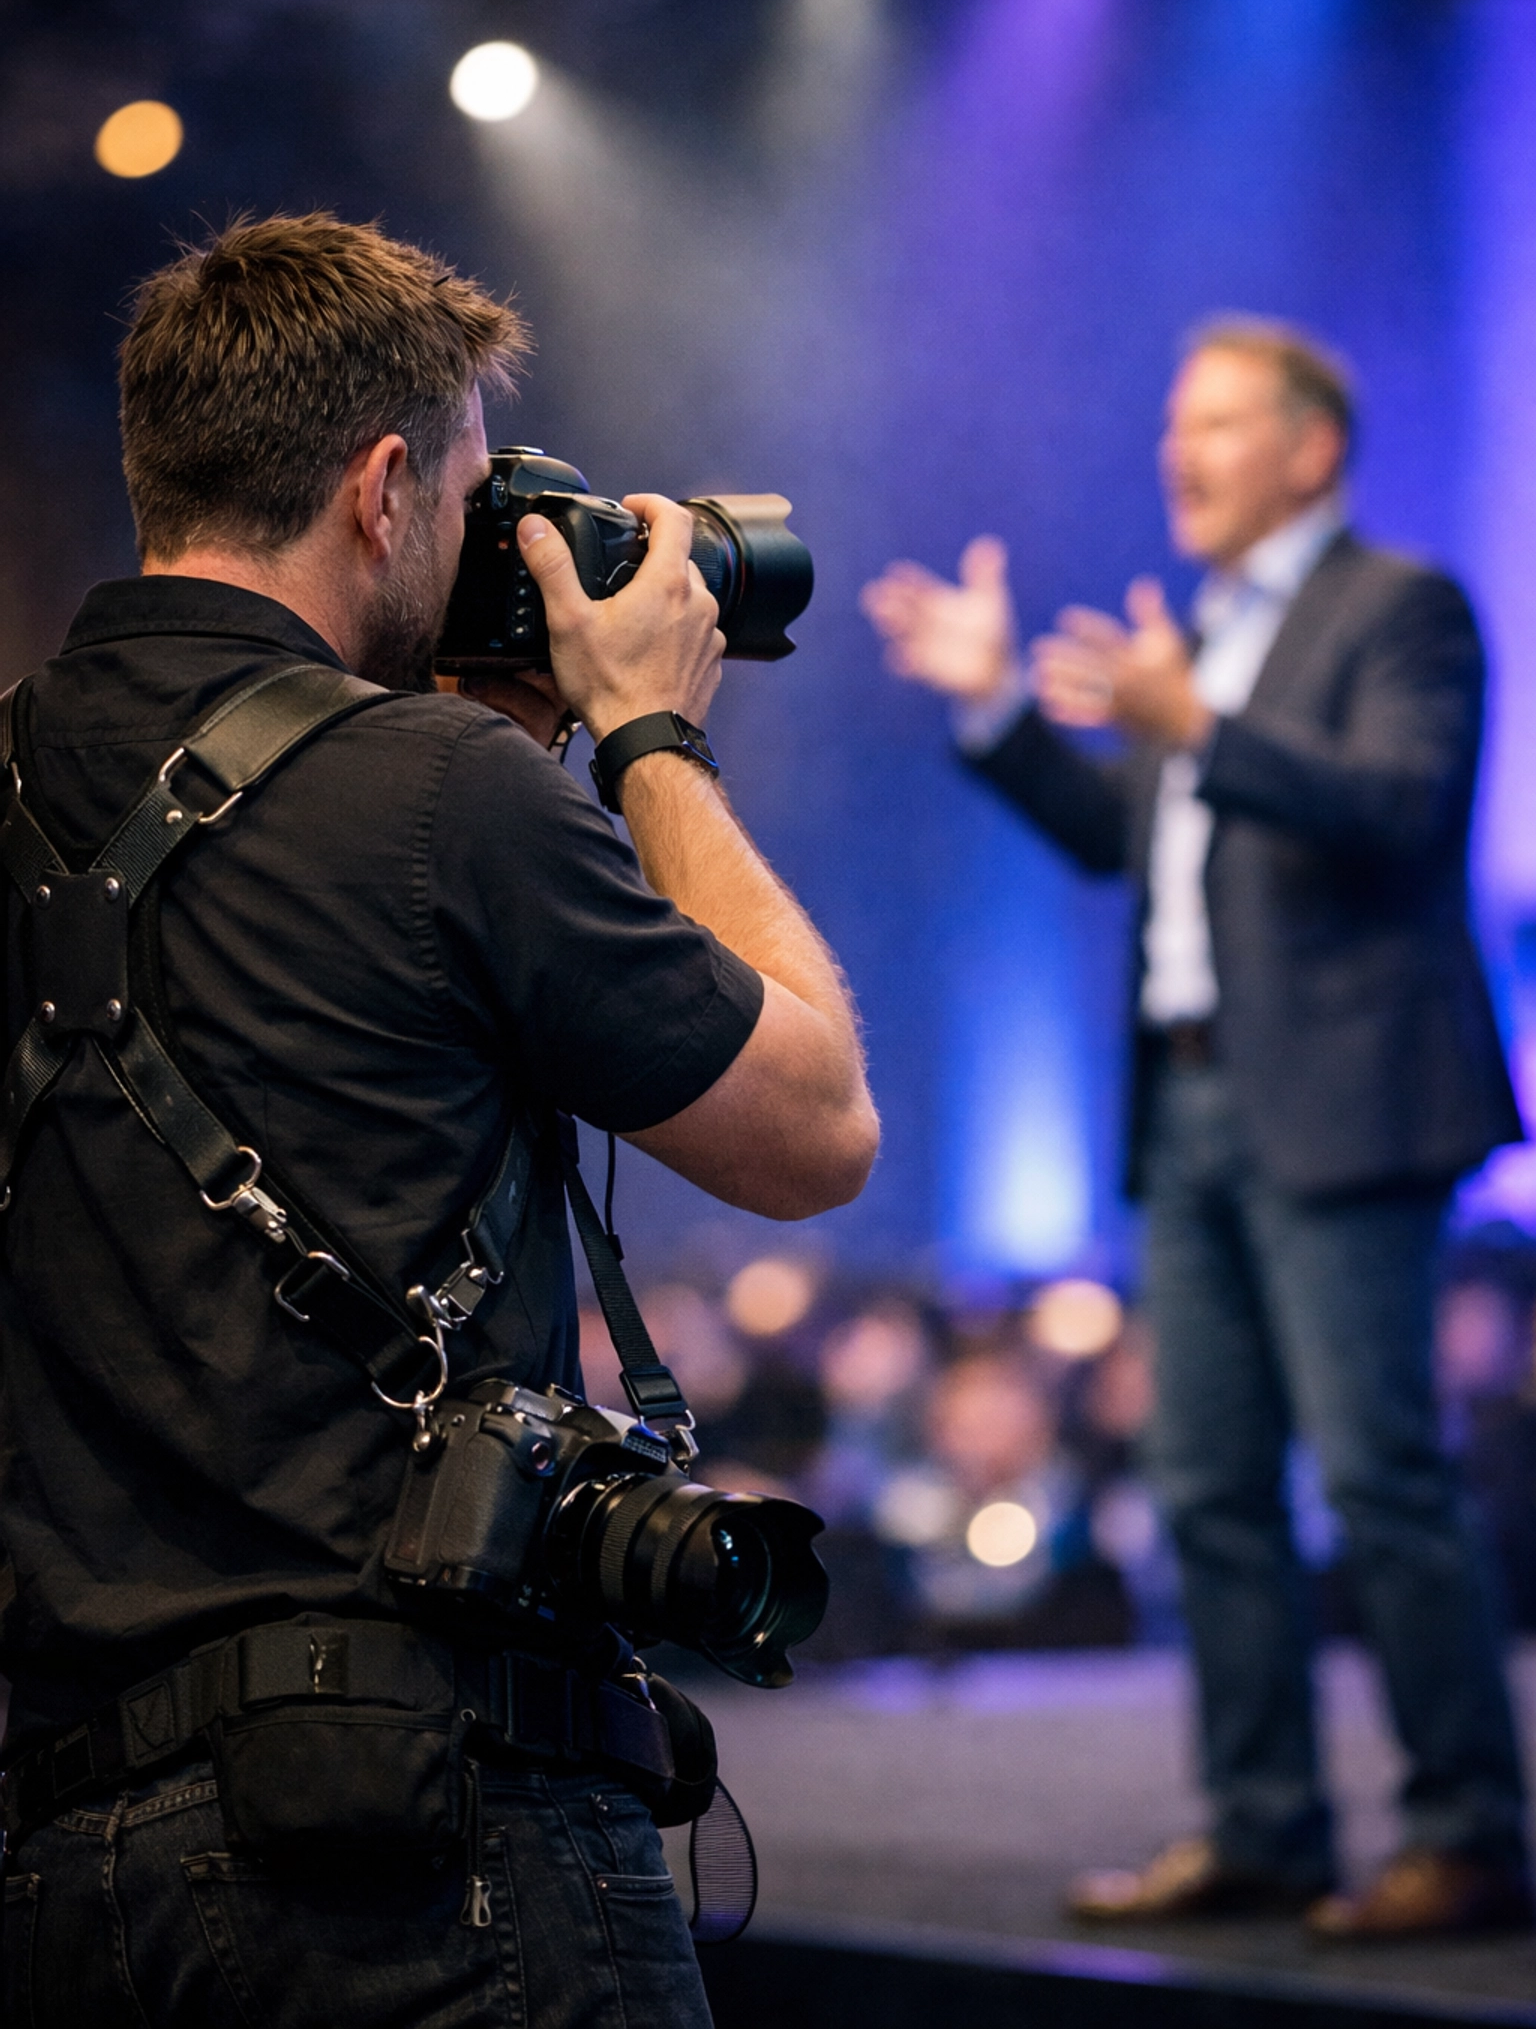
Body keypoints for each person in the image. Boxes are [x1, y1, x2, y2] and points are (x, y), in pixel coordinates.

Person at [0, 212, 878, 2026]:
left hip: (63, 1858)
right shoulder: (439, 792)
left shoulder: (16, 765)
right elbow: (812, 1129)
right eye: (479, 495)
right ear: (385, 488)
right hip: (431, 1848)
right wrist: (645, 739)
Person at [862, 317, 1530, 1939]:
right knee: (1212, 1484)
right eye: (1175, 422)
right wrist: (1000, 706)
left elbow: (1401, 808)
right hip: (1195, 1101)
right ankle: (1266, 1827)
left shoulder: (1400, 609)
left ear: (1311, 447)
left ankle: (1471, 1832)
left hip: (1350, 1104)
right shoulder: (1208, 633)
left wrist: (1199, 728)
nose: (1181, 450)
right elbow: (1116, 839)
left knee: (1381, 1478)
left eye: (1219, 421)